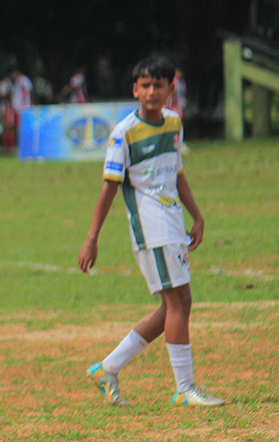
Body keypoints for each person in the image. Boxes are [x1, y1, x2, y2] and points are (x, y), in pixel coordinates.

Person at [77, 56, 224, 408]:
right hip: (150, 226)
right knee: (179, 301)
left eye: (159, 85)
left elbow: (177, 173)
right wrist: (92, 236)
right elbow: (109, 187)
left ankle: (107, 367)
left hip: (173, 221)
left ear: (171, 89)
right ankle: (185, 388)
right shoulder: (123, 133)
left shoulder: (173, 122)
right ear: (135, 90)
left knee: (172, 305)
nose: (151, 92)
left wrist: (197, 215)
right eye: (145, 86)